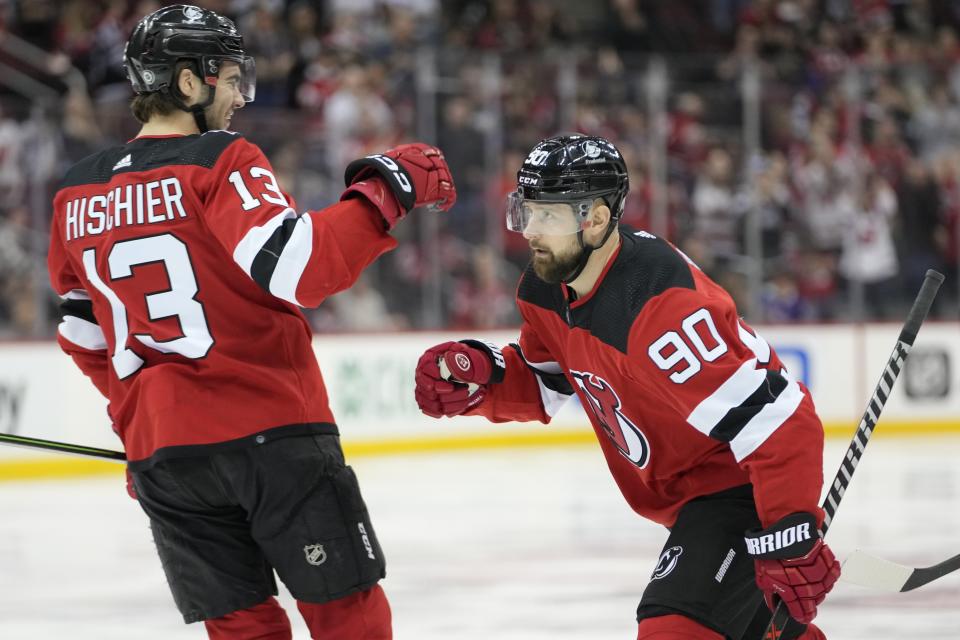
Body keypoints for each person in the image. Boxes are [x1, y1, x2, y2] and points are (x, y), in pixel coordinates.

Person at [47, 5, 455, 639]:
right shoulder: (221, 159)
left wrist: (140, 421)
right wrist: (386, 189)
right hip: (271, 434)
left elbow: (83, 334)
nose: (240, 95)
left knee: (241, 630)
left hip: (165, 455)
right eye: (231, 77)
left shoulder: (76, 191)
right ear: (189, 83)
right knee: (347, 614)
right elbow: (301, 266)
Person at [414, 134, 838, 640]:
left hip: (735, 489)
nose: (530, 231)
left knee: (673, 628)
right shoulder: (546, 287)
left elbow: (779, 420)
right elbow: (552, 382)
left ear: (593, 219)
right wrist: (484, 381)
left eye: (547, 216)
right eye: (525, 211)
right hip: (686, 502)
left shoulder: (658, 310)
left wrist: (788, 534)